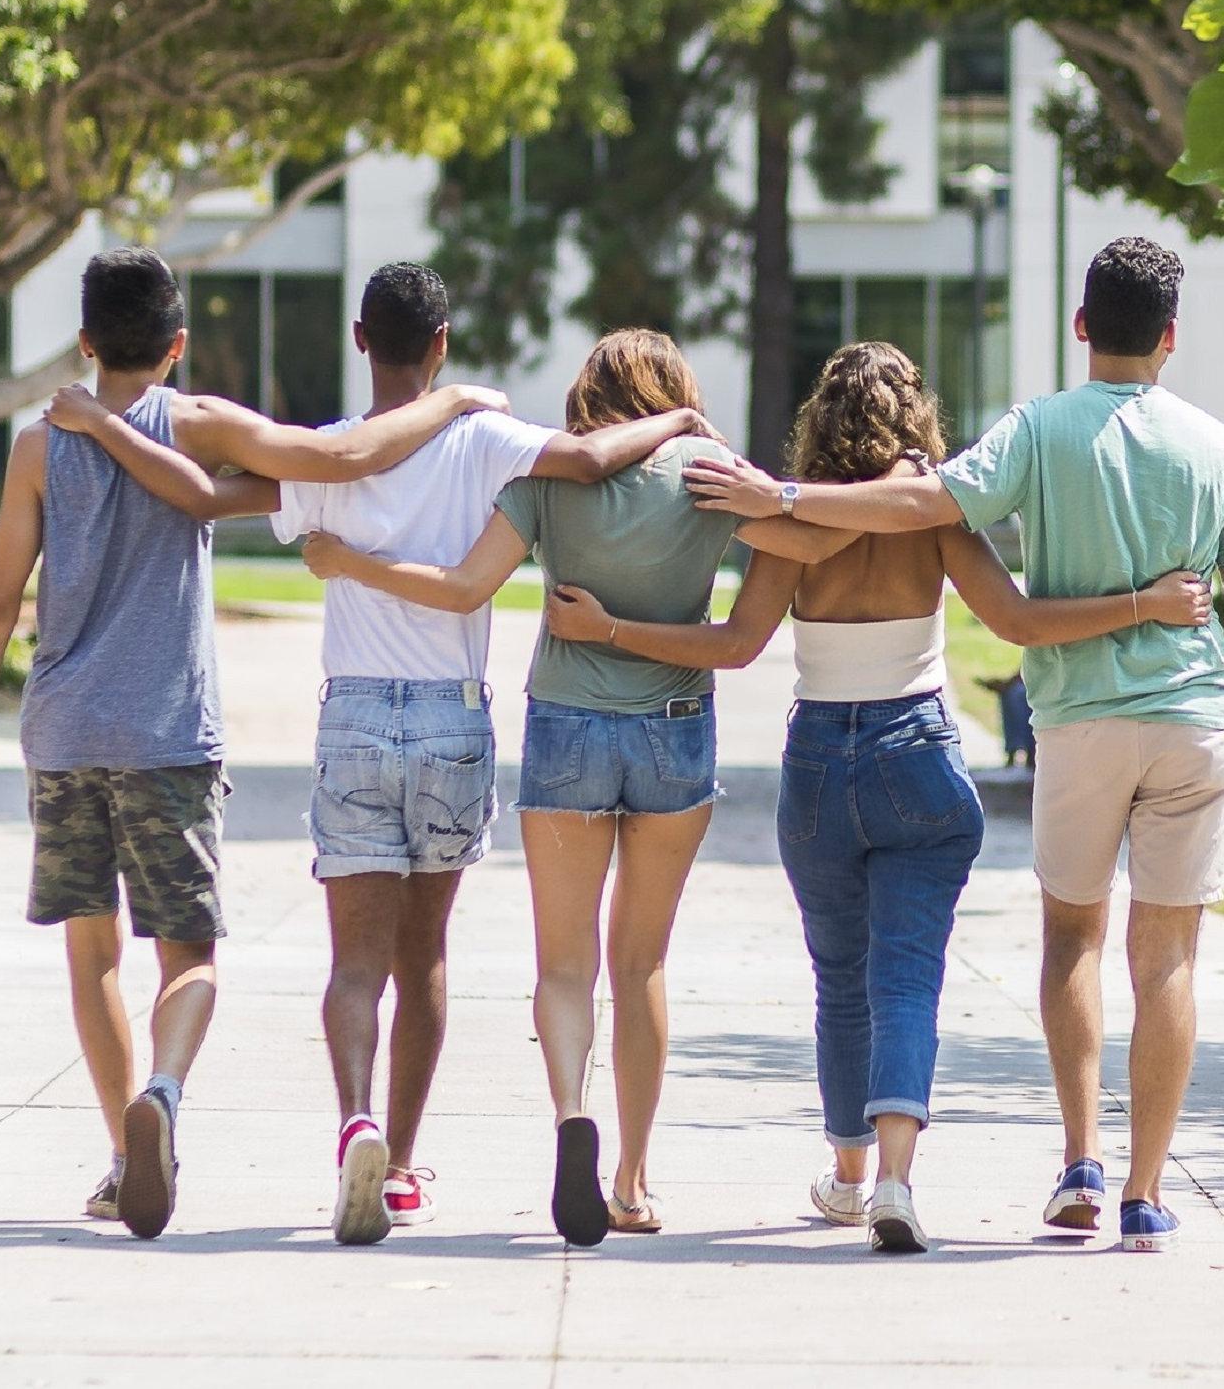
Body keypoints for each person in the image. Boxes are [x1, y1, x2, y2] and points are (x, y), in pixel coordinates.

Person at [55, 264, 714, 1244]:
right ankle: (401, 1168)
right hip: (451, 725)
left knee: (354, 963)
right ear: (441, 341)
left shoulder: (325, 455)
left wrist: (107, 429)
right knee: (425, 960)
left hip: (353, 721)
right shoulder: (489, 438)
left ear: (362, 339)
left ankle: (354, 1120)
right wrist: (676, 422)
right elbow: (585, 462)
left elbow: (201, 497)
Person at [545, 339, 1212, 1252]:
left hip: (820, 759)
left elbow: (735, 645)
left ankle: (850, 1175)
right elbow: (1015, 621)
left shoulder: (788, 515)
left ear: (821, 418)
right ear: (913, 416)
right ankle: (898, 1178)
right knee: (907, 974)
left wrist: (611, 629)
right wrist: (1147, 603)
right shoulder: (929, 514)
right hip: (918, 753)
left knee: (840, 980)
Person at [684, 239, 1224, 1254]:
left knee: (1048, 943)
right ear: (1171, 337)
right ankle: (1138, 1192)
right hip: (1180, 717)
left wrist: (771, 502)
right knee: (1164, 953)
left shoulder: (1035, 431)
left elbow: (895, 531)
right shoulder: (1218, 444)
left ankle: (1063, 1161)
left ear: (1082, 325)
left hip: (1054, 729)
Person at [0, 247, 505, 1240]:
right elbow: (342, 457)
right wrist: (453, 401)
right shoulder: (195, 421)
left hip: (63, 733)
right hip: (166, 734)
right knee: (188, 960)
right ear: (178, 343)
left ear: (84, 341)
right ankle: (161, 1087)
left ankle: (126, 1153)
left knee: (93, 955)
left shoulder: (39, 445)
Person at [299, 328, 835, 1246]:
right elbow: (777, 593)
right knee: (643, 965)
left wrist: (351, 563)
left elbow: (467, 586)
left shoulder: (553, 478)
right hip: (673, 738)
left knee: (564, 965)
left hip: (565, 736)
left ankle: (567, 1120)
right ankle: (629, 1178)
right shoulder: (711, 473)